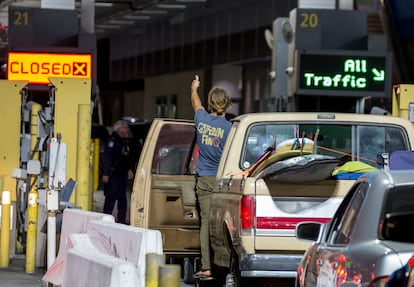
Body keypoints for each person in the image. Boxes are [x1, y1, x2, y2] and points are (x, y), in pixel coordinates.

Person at [191, 75, 232, 279]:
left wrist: (194, 88)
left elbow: (195, 102)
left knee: (206, 223)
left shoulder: (202, 119)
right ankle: (225, 265)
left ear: (210, 104)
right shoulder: (230, 129)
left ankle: (207, 266)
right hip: (224, 182)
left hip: (205, 180)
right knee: (225, 225)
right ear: (227, 105)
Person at [102, 120, 134, 224]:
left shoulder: (125, 142)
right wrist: (105, 173)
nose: (127, 130)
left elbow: (128, 157)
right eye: (125, 128)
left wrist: (129, 169)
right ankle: (105, 218)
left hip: (122, 174)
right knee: (111, 197)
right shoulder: (112, 141)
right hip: (113, 174)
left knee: (122, 198)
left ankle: (121, 220)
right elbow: (107, 158)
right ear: (119, 129)